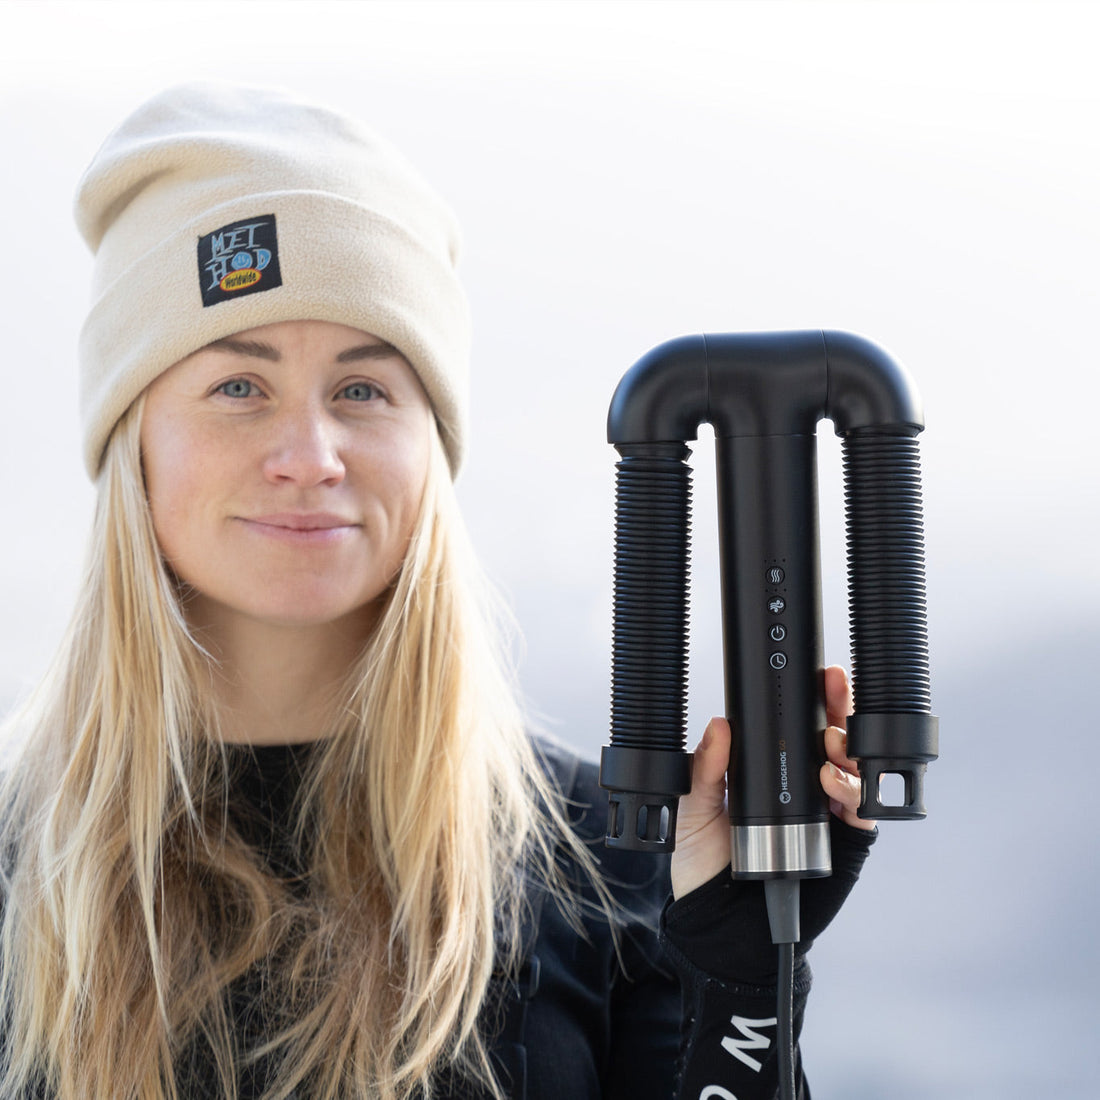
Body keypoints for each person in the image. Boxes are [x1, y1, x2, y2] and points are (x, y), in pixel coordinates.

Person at [0, 83, 875, 1100]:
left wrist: (740, 976)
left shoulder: (608, 855)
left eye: (363, 389)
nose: (309, 453)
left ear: (434, 443)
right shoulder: (21, 865)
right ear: (132, 439)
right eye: (237, 385)